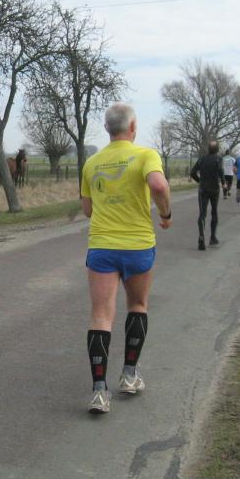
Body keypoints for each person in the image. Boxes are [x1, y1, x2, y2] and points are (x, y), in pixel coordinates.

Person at [80, 102, 172, 414]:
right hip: (138, 245)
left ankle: (99, 392)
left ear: (107, 128)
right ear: (132, 127)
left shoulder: (92, 163)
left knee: (100, 316)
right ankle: (129, 376)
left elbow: (88, 210)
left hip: (103, 246)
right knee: (138, 305)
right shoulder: (146, 155)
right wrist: (165, 213)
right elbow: (157, 184)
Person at [190, 140, 224, 250]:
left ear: (208, 149)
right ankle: (213, 237)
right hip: (214, 189)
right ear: (217, 149)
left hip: (203, 189)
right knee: (214, 212)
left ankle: (201, 236)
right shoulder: (218, 159)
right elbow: (220, 171)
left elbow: (192, 172)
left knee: (202, 213)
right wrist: (223, 183)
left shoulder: (202, 159)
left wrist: (199, 181)